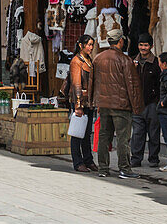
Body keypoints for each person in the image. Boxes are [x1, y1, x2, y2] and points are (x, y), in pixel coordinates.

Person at [89, 28, 144, 179]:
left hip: (104, 103)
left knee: (104, 136)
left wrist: (93, 101)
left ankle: (103, 168)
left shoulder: (98, 58)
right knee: (122, 138)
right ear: (121, 41)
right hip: (121, 105)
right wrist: (137, 107)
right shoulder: (125, 60)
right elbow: (132, 86)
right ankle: (124, 169)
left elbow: (92, 82)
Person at [130, 34, 162, 169]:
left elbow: (160, 84)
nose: (143, 48)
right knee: (137, 133)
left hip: (152, 104)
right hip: (137, 104)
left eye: (146, 45)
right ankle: (136, 158)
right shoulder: (132, 62)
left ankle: (153, 158)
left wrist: (158, 101)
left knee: (154, 133)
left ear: (151, 46)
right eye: (141, 45)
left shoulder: (156, 63)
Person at [67, 34, 97, 172]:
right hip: (80, 101)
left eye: (92, 45)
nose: (91, 47)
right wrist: (78, 106)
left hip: (89, 101)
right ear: (81, 45)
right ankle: (78, 162)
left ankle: (88, 159)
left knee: (86, 133)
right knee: (77, 133)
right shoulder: (76, 61)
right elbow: (76, 85)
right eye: (89, 44)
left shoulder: (88, 60)